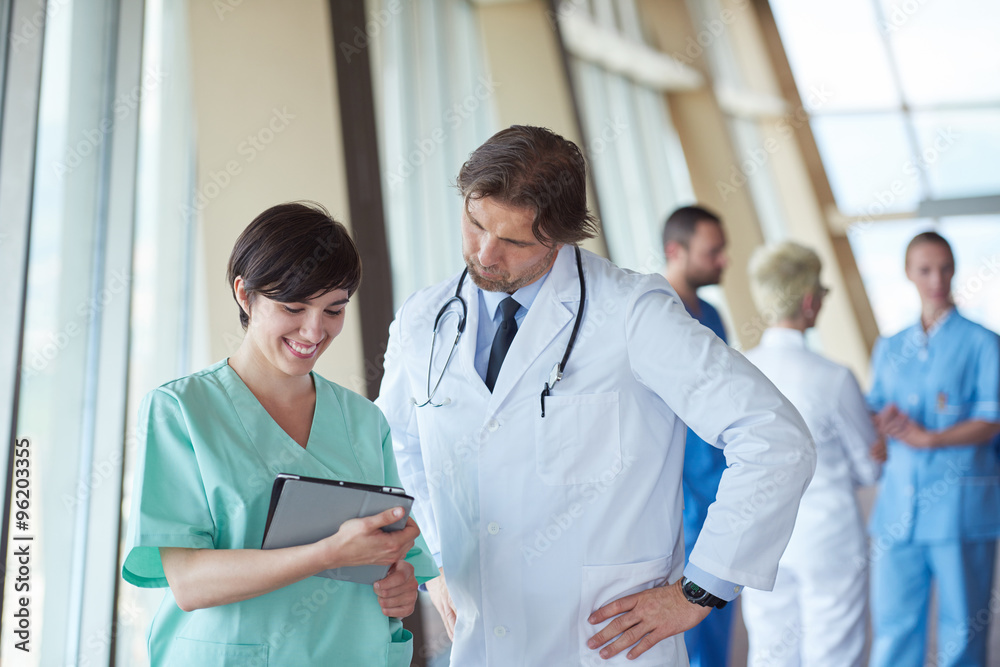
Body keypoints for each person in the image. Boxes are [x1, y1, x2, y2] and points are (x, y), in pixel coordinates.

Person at [376, 125, 816, 665]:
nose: (486, 254)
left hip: (605, 644)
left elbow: (775, 438)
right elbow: (396, 449)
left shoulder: (633, 312)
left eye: (513, 241)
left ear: (560, 236)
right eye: (474, 224)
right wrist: (433, 563)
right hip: (481, 639)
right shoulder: (424, 319)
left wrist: (702, 589)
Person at [122, 202, 438, 665]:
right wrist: (327, 553)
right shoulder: (181, 411)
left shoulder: (364, 421)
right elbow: (188, 582)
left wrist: (400, 585)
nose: (315, 330)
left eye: (334, 309)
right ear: (244, 295)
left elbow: (398, 564)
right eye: (294, 306)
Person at [740, 241, 881, 666]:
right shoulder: (834, 377)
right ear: (808, 300)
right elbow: (870, 469)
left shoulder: (739, 368)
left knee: (769, 653)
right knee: (833, 653)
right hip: (828, 539)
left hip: (759, 537)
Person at [867, 231, 1000, 667]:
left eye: (945, 268)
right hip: (897, 512)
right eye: (925, 269)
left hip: (960, 508)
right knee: (894, 624)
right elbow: (875, 410)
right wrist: (880, 426)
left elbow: (992, 419)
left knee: (962, 629)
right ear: (909, 273)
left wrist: (933, 439)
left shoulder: (983, 343)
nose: (937, 279)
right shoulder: (890, 346)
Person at [662, 205, 733, 667]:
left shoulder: (712, 316)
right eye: (714, 251)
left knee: (716, 619)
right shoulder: (653, 316)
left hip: (716, 490)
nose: (723, 260)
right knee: (681, 631)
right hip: (674, 497)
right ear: (676, 251)